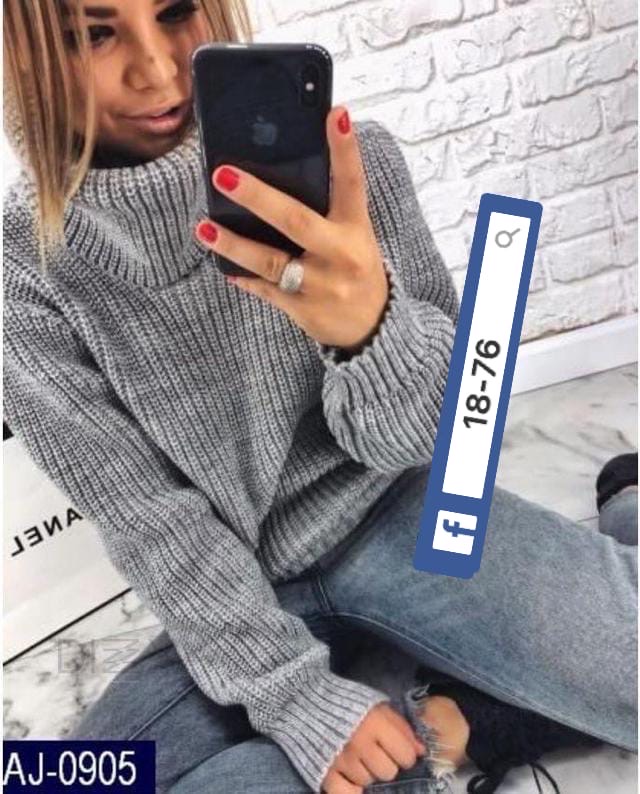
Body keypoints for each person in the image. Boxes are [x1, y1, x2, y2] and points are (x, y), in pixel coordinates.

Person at [3, 1, 637, 793]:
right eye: (94, 34)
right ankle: (430, 742)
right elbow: (149, 521)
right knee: (52, 782)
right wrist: (294, 695)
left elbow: (449, 439)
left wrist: (367, 331)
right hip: (233, 582)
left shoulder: (349, 171)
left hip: (400, 512)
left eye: (177, 10)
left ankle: (477, 708)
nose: (158, 70)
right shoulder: (24, 274)